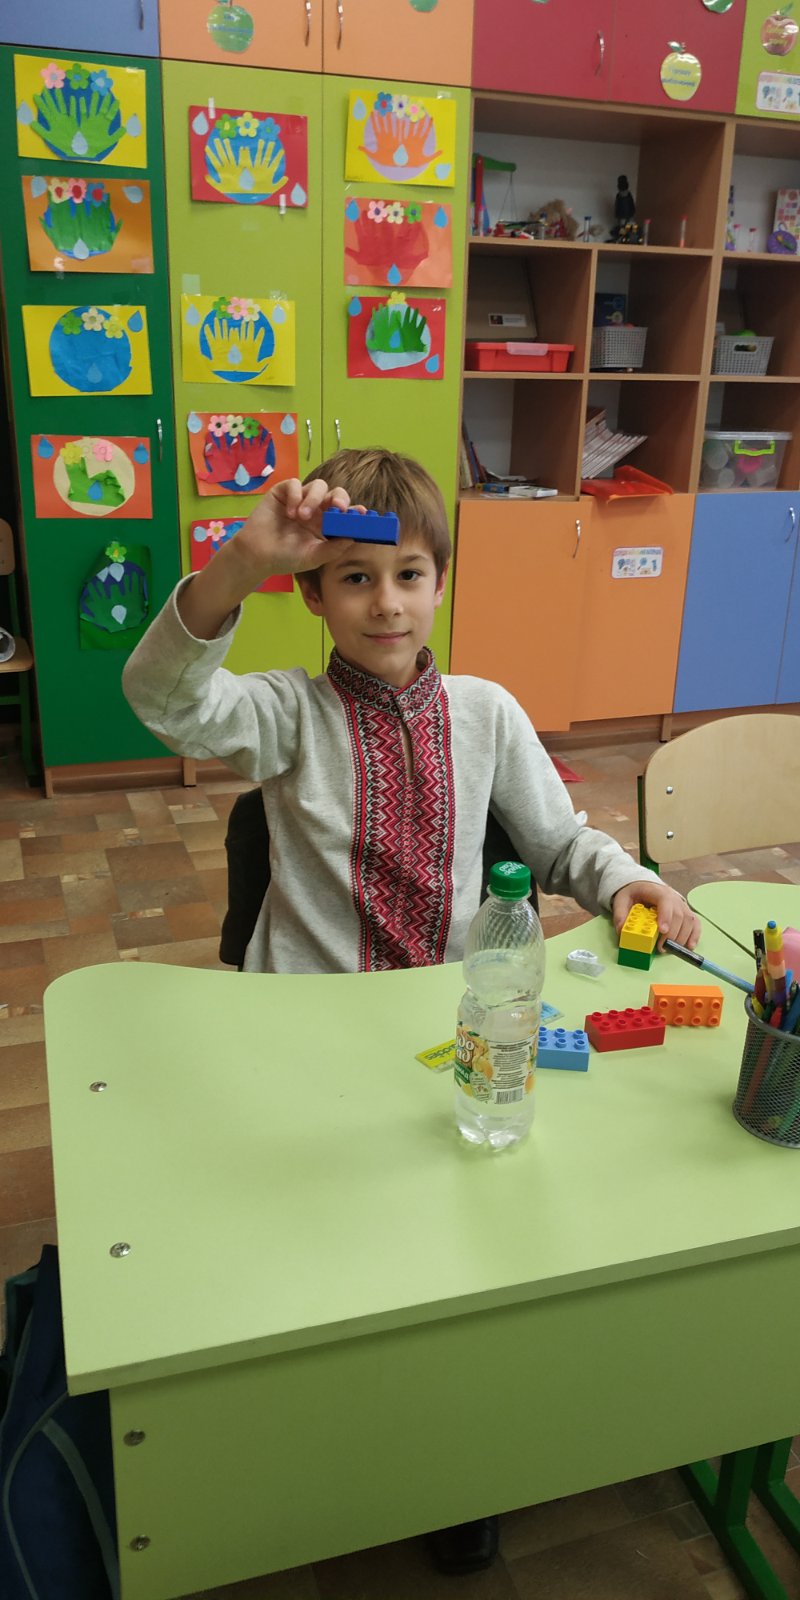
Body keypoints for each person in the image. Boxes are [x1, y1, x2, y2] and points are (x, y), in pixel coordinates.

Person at [122, 448, 699, 1572]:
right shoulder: (286, 714)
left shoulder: (485, 712)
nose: (385, 603)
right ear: (313, 594)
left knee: (464, 1248)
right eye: (354, 578)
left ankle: (451, 1455)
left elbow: (560, 843)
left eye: (408, 575)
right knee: (328, 1247)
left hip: (453, 1027)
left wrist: (626, 881)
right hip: (306, 1038)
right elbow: (164, 699)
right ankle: (322, 1432)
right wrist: (239, 562)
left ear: (439, 582)